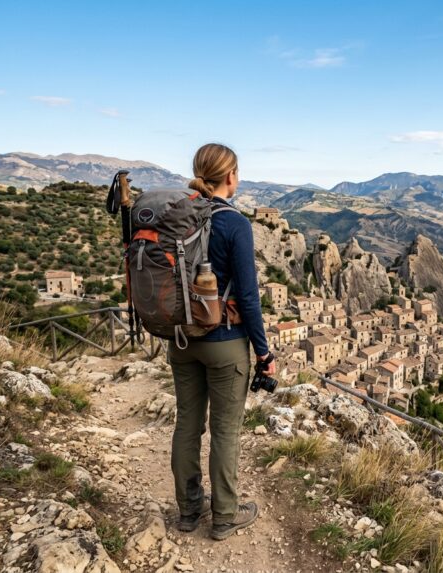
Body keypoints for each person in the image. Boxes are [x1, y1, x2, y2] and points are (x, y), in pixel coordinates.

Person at [168, 143, 275, 540]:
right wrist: (264, 352)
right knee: (225, 432)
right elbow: (248, 296)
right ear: (231, 176)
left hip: (180, 340)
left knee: (187, 426)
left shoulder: (178, 215)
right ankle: (225, 516)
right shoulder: (234, 223)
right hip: (224, 342)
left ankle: (188, 511)